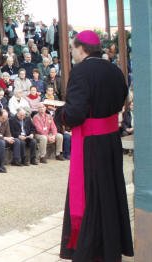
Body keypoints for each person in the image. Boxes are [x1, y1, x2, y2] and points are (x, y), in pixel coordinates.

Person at [54, 30, 133, 261]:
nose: (72, 52)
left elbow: (75, 113)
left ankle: (90, 249)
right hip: (110, 141)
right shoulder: (114, 69)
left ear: (81, 48)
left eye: (72, 48)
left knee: (90, 195)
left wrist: (60, 114)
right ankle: (110, 246)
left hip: (90, 144)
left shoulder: (81, 72)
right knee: (110, 192)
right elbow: (123, 98)